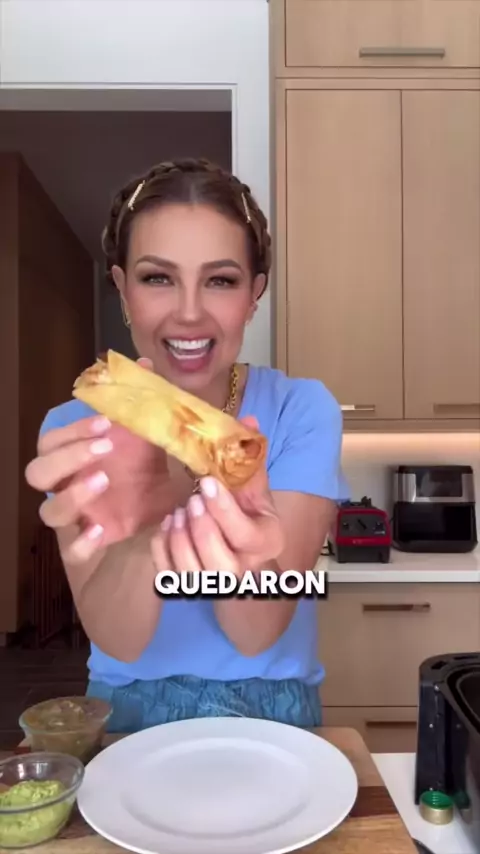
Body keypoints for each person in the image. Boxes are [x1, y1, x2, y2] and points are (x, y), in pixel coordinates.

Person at [25, 157, 348, 732]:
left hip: (272, 710)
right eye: (158, 278)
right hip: (127, 711)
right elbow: (120, 641)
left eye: (221, 280)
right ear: (123, 289)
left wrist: (243, 545)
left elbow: (257, 634)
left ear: (254, 295)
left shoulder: (301, 412)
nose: (190, 313)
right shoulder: (76, 428)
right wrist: (142, 538)